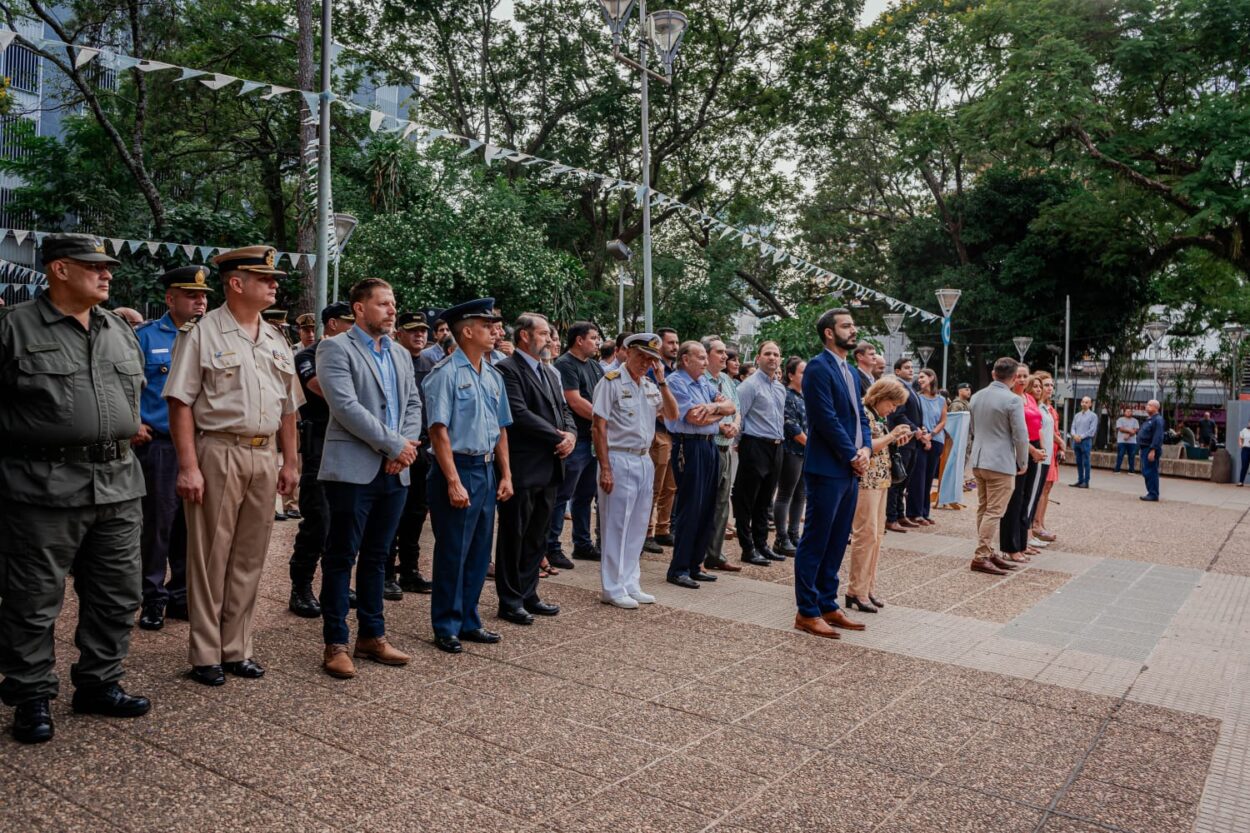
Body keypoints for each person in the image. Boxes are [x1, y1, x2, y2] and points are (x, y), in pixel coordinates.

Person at [0, 233, 151, 744]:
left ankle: (99, 683)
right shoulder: (14, 327)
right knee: (33, 599)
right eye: (94, 266)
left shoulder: (117, 330)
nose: (107, 274)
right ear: (59, 270)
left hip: (118, 484)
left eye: (107, 267)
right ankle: (30, 695)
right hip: (41, 487)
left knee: (116, 594)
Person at [165, 245, 303, 687]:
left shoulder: (276, 338)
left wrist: (291, 462)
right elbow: (180, 402)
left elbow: (288, 408)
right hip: (218, 450)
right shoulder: (202, 333)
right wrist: (188, 466)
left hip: (265, 455)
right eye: (264, 278)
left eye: (274, 279)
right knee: (209, 556)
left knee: (250, 556)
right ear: (236, 283)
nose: (274, 284)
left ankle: (236, 647)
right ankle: (205, 651)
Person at [315, 279, 420, 678]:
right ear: (359, 309)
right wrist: (394, 446)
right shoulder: (335, 348)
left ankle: (372, 636)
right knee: (342, 556)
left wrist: (405, 447)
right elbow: (345, 407)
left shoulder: (399, 353)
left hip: (395, 469)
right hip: (352, 470)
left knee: (378, 557)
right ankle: (335, 642)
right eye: (383, 304)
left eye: (394, 303)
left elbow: (413, 402)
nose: (392, 310)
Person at [423, 298, 514, 653]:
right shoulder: (445, 374)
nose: (494, 331)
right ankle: (446, 623)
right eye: (485, 324)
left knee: (478, 551)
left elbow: (502, 429)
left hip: (486, 468)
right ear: (466, 331)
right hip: (457, 467)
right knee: (453, 551)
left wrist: (505, 474)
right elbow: (438, 431)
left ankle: (469, 619)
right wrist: (452, 480)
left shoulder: (492, 374)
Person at [133, 266, 211, 631]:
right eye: (192, 295)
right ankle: (152, 598)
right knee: (158, 526)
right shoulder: (146, 337)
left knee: (191, 526)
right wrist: (133, 420)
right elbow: (124, 383)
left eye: (204, 296)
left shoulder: (212, 337)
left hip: (203, 444)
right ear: (170, 299)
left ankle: (181, 595)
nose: (201, 301)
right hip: (161, 447)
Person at [792, 308, 871, 639]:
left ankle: (828, 603)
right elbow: (824, 419)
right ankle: (806, 611)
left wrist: (866, 448)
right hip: (827, 467)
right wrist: (852, 454)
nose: (853, 331)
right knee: (816, 539)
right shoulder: (817, 368)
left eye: (852, 326)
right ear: (828, 332)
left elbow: (860, 417)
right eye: (846, 326)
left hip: (850, 468)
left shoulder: (851, 372)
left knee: (839, 539)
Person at [494, 313, 576, 625]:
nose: (550, 340)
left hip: (552, 463)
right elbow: (518, 413)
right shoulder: (507, 369)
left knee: (537, 535)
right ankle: (510, 599)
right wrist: (557, 436)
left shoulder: (549, 372)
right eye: (543, 334)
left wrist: (570, 434)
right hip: (524, 465)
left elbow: (564, 410)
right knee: (515, 534)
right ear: (525, 336)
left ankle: (529, 593)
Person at [592, 334, 680, 607]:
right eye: (641, 356)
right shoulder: (611, 383)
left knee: (638, 525)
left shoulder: (650, 386)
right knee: (616, 525)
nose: (645, 363)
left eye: (651, 358)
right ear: (627, 352)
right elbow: (598, 426)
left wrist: (662, 380)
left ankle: (630, 581)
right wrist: (605, 467)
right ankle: (612, 586)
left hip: (643, 459)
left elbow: (673, 414)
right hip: (618, 457)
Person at [288, 302, 356, 618]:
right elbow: (322, 389)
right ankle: (301, 586)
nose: (353, 328)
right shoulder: (307, 355)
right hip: (319, 445)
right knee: (318, 520)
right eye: (347, 323)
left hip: (348, 446)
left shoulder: (355, 356)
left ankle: (338, 584)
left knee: (346, 520)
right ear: (331, 325)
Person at [664, 341, 735, 588]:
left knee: (707, 506)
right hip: (688, 445)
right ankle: (679, 567)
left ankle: (695, 565)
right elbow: (694, 417)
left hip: (708, 445)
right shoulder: (676, 382)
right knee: (691, 507)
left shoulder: (703, 382)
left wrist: (713, 408)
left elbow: (730, 406)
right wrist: (717, 415)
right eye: (702, 358)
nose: (707, 363)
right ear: (686, 359)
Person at [845, 378, 912, 612]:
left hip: (881, 480)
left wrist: (896, 439)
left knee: (876, 537)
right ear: (881, 396)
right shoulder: (864, 413)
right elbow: (865, 445)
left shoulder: (878, 416)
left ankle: (867, 587)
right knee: (865, 535)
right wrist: (892, 435)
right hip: (866, 481)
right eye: (892, 404)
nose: (893, 409)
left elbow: (881, 445)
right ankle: (856, 590)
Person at [544, 321, 604, 567]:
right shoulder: (565, 365)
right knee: (563, 494)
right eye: (593, 337)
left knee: (586, 495)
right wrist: (606, 419)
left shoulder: (595, 367)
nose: (597, 342)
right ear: (579, 340)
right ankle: (552, 546)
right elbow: (574, 401)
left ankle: (582, 543)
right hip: (575, 439)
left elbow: (601, 398)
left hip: (593, 440)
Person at [968, 357, 1030, 576]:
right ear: (1014, 378)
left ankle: (988, 550)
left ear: (994, 374)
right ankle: (982, 555)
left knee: (984, 508)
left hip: (979, 459)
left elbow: (973, 429)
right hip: (1000, 462)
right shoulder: (1013, 400)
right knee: (995, 511)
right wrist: (1022, 461)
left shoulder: (976, 396)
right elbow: (1020, 435)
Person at [388, 311, 434, 597]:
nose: (419, 335)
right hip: (397, 447)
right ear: (399, 334)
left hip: (423, 448)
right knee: (393, 514)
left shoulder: (430, 363)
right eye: (413, 330)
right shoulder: (392, 361)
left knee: (416, 513)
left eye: (423, 331)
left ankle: (409, 570)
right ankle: (385, 572)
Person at [733, 340, 788, 563]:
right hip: (755, 444)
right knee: (747, 498)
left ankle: (762, 544)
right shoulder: (749, 385)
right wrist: (738, 443)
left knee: (765, 500)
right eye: (767, 354)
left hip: (776, 446)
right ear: (758, 358)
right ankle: (747, 548)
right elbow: (739, 414)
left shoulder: (779, 387)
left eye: (776, 354)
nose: (772, 358)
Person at [701, 336, 743, 572]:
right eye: (719, 352)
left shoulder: (727, 380)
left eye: (724, 353)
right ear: (706, 355)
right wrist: (720, 426)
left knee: (721, 504)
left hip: (726, 448)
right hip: (710, 445)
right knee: (705, 502)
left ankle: (715, 554)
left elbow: (736, 408)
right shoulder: (701, 381)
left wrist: (735, 425)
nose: (725, 356)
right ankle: (698, 554)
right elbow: (699, 413)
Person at [1000, 364, 1046, 564]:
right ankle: (1010, 546)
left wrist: (1041, 449)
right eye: (1018, 376)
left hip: (1034, 448)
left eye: (1024, 376)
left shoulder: (1029, 398)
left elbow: (1039, 426)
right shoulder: (1011, 399)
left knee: (1027, 498)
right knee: (1015, 499)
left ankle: (1022, 542)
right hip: (1019, 448)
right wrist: (1032, 450)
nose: (1021, 379)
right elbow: (1015, 432)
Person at [644, 327, 681, 554]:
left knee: (670, 486)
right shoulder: (652, 370)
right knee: (654, 486)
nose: (675, 347)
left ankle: (662, 528)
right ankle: (647, 531)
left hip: (673, 433)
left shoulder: (673, 371)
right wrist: (669, 418)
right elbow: (655, 405)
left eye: (677, 343)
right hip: (658, 431)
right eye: (670, 343)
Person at [885, 357, 926, 533]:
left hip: (913, 440)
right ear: (897, 371)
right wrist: (914, 428)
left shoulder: (911, 388)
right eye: (906, 368)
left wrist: (920, 427)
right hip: (903, 438)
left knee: (905, 480)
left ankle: (901, 515)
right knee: (897, 478)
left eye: (911, 367)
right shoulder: (899, 388)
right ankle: (891, 517)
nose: (911, 370)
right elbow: (898, 414)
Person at [772, 357, 808, 557]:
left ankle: (794, 534)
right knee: (785, 493)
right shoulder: (787, 395)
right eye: (802, 372)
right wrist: (808, 443)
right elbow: (790, 424)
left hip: (805, 451)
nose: (806, 376)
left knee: (801, 494)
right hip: (791, 450)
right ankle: (781, 537)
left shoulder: (805, 396)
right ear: (791, 375)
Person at [909, 368, 947, 525]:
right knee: (918, 477)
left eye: (923, 377)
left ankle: (925, 512)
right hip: (920, 440)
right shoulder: (917, 398)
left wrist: (931, 435)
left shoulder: (941, 400)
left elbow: (943, 421)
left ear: (932, 378)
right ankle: (914, 512)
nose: (919, 379)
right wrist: (924, 437)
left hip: (936, 440)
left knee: (929, 478)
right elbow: (916, 419)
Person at [1030, 373, 1065, 544]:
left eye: (1051, 385)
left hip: (1051, 452)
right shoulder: (1038, 407)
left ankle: (1040, 522)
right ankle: (1036, 524)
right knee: (1041, 489)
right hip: (1043, 451)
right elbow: (1044, 431)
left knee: (1046, 489)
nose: (1049, 388)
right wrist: (1061, 442)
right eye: (1046, 385)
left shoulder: (1048, 407)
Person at [1137, 399, 1165, 501]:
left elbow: (1158, 436)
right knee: (1146, 471)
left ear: (1155, 408)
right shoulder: (1150, 419)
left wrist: (1153, 449)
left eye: (1149, 405)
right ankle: (1151, 492)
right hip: (1145, 448)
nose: (1146, 407)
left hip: (1150, 448)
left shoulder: (1157, 420)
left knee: (1151, 471)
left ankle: (1153, 494)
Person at [1070, 396, 1097, 487]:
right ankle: (1080, 480)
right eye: (1083, 402)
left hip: (1085, 441)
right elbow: (1073, 427)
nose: (1084, 404)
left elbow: (1092, 431)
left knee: (1086, 462)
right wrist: (1074, 435)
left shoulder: (1093, 416)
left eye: (1086, 402)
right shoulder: (1077, 415)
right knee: (1078, 462)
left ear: (1090, 404)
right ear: (1081, 403)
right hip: (1076, 441)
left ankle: (1086, 482)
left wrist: (1081, 436)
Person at [1113, 406, 1139, 474]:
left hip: (1132, 442)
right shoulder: (1120, 420)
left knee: (1132, 456)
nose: (1128, 412)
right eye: (1127, 411)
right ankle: (1117, 470)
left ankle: (1131, 471)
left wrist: (1128, 435)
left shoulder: (1135, 421)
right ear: (1124, 412)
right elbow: (1120, 429)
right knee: (1120, 455)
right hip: (1121, 441)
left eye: (1130, 411)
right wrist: (1130, 430)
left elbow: (1135, 430)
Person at [1237, 418, 1250, 486]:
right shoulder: (1244, 430)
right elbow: (1240, 438)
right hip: (1245, 449)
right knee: (1244, 465)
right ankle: (1241, 482)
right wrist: (1240, 444)